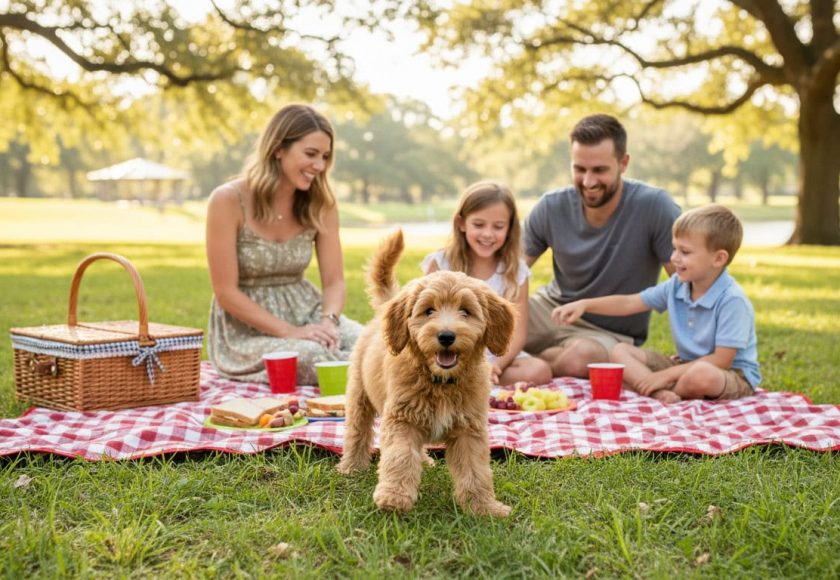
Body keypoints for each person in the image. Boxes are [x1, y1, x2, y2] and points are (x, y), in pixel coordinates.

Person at [206, 103, 362, 386]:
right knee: (311, 355)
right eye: (311, 154)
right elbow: (226, 292)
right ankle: (371, 384)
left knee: (373, 344)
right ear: (278, 149)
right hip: (246, 330)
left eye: (325, 156)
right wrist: (290, 331)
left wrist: (329, 322)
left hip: (307, 310)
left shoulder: (321, 203)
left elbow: (334, 282)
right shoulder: (227, 200)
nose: (320, 166)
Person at [523, 113, 681, 378]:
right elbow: (509, 272)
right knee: (484, 327)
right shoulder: (551, 206)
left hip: (610, 333)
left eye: (599, 170)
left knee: (580, 359)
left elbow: (688, 284)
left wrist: (700, 350)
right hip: (552, 310)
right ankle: (539, 360)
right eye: (579, 169)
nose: (588, 182)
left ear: (624, 163)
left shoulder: (655, 207)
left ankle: (533, 364)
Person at [553, 204, 760, 403]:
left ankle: (655, 389)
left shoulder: (732, 300)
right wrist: (585, 304)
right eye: (674, 249)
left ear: (718, 258)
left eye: (685, 252)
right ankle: (660, 392)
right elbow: (629, 303)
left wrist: (666, 375)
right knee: (620, 351)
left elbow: (721, 361)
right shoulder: (677, 285)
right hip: (683, 365)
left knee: (700, 375)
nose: (674, 258)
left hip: (729, 374)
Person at [421, 181, 553, 387]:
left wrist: (497, 365)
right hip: (448, 347)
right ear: (461, 223)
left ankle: (474, 380)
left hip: (495, 354)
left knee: (540, 370)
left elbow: (518, 333)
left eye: (498, 226)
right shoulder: (440, 263)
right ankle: (468, 381)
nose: (488, 234)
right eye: (479, 224)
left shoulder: (516, 271)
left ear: (510, 228)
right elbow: (425, 314)